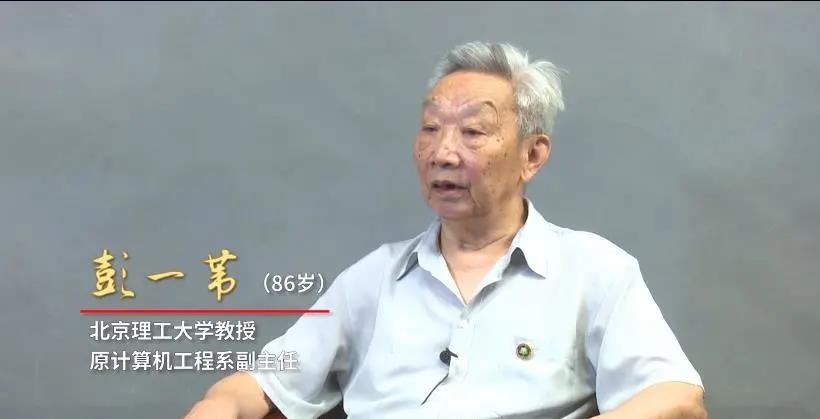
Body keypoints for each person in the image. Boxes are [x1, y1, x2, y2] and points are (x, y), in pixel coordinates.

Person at [185, 41, 706, 419]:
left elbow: (677, 397)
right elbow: (256, 387)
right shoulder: (373, 279)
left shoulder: (593, 271)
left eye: (473, 131)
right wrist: (219, 405)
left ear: (532, 155)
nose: (443, 152)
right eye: (431, 129)